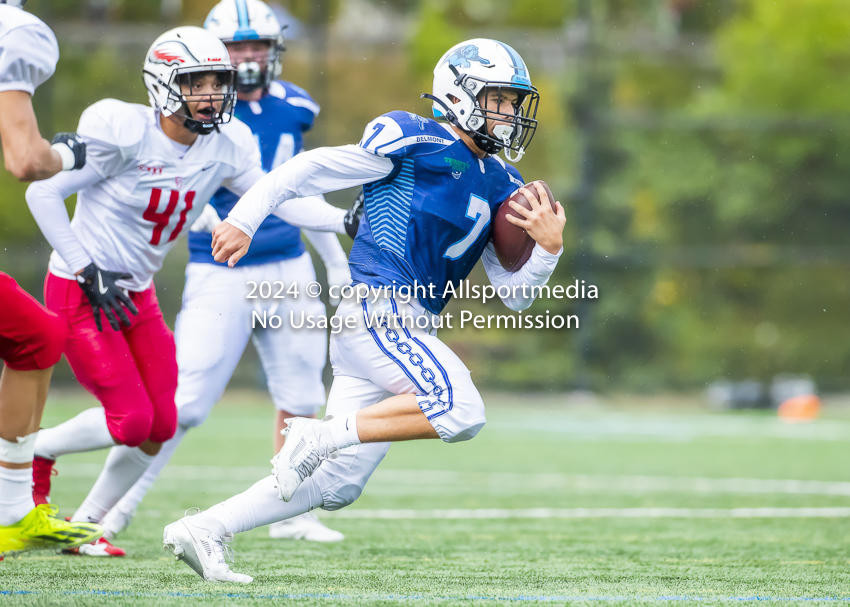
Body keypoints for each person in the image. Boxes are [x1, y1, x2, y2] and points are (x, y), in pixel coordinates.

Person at [162, 38, 566, 583]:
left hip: (401, 325)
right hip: (381, 307)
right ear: (461, 93)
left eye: (515, 102)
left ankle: (206, 528)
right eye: (499, 98)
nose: (511, 113)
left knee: (336, 484)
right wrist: (247, 219)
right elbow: (304, 169)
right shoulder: (416, 137)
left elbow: (514, 292)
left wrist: (547, 249)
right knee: (460, 409)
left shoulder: (502, 182)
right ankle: (317, 434)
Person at [24, 25, 348, 557]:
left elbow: (276, 200)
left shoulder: (228, 143)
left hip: (137, 293)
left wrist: (343, 219)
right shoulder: (125, 131)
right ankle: (32, 450)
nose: (210, 94)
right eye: (195, 82)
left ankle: (86, 525)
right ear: (161, 84)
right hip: (81, 288)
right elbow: (42, 193)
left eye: (217, 82)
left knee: (165, 421)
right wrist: (85, 269)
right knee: (132, 421)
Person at [0, 0, 102, 558]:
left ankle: (13, 513)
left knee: (36, 334)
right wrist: (65, 154)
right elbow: (25, 160)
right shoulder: (14, 33)